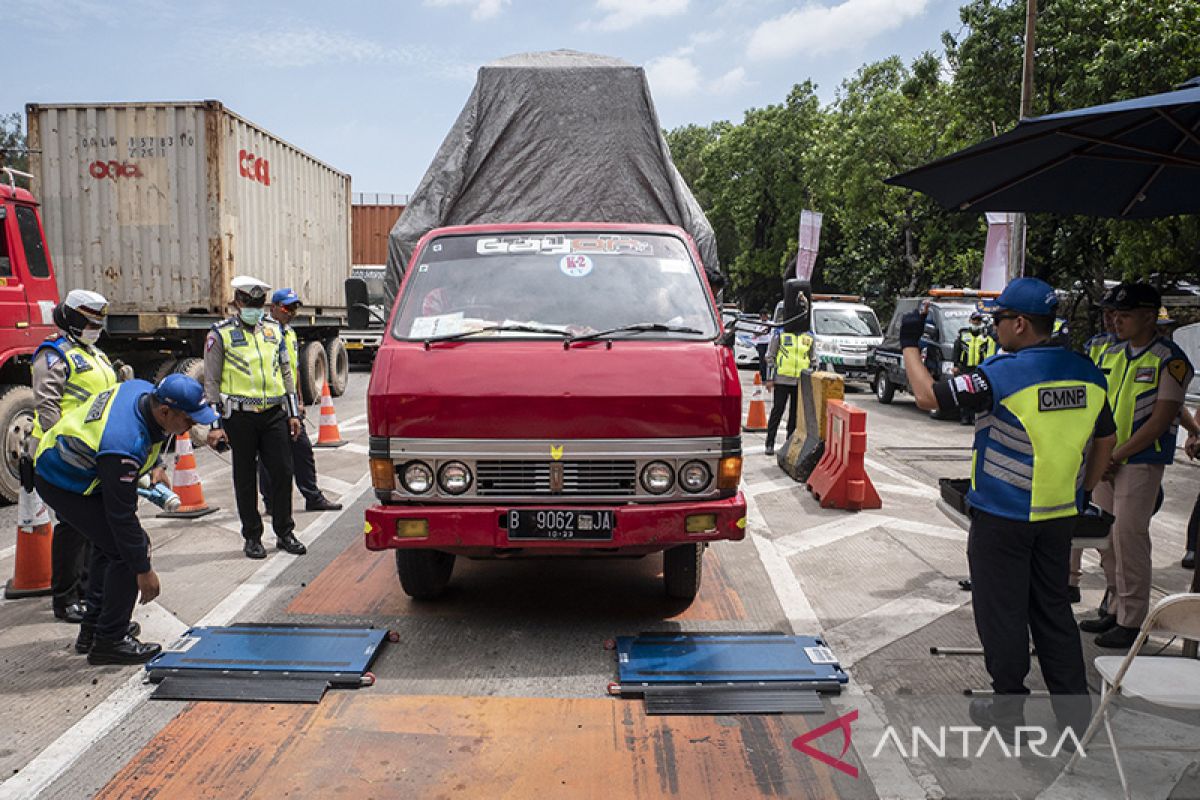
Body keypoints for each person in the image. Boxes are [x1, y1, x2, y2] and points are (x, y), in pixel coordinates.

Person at [900, 277, 1114, 738]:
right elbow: (1106, 440)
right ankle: (1074, 719)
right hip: (1059, 516)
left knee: (1002, 614)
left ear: (1020, 323)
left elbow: (927, 396)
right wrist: (1085, 490)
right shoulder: (1088, 372)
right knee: (1054, 613)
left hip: (1004, 517)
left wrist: (909, 345)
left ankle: (1008, 710)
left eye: (998, 320)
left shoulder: (1003, 374)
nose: (994, 328)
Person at [34, 375, 216, 664]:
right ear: (166, 412)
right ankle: (110, 640)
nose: (192, 427)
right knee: (127, 549)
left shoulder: (143, 391)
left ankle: (95, 629)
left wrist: (155, 463)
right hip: (62, 480)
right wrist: (144, 571)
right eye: (189, 420)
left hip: (75, 464)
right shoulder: (122, 445)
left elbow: (151, 434)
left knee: (110, 547)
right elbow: (121, 518)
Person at [1081, 283, 1194, 648]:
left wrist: (1114, 455)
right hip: (1107, 459)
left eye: (1125, 315)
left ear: (1150, 316)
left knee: (1129, 538)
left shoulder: (1169, 360)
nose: (1116, 321)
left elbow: (1160, 420)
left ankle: (1132, 620)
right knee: (1106, 539)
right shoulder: (1112, 353)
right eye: (1114, 314)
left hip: (1139, 461)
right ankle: (1113, 606)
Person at [29, 290, 120, 624]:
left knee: (91, 526)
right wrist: (66, 447)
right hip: (63, 454)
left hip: (93, 451)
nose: (95, 327)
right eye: (89, 322)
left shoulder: (95, 354)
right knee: (71, 527)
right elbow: (47, 406)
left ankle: (86, 592)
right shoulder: (53, 354)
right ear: (70, 318)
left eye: (98, 322)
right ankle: (65, 598)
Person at [203, 276, 306, 560]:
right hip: (240, 417)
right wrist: (214, 425)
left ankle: (285, 532)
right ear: (238, 303)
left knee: (284, 472)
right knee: (245, 477)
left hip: (274, 413)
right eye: (250, 303)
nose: (255, 309)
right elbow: (211, 382)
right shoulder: (219, 333)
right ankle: (252, 536)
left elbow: (285, 372)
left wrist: (293, 412)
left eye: (260, 304)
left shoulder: (275, 331)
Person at [258, 288, 342, 514]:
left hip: (290, 405)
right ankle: (271, 502)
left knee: (303, 451)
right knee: (268, 458)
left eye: (295, 308)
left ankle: (312, 496)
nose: (292, 312)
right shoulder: (263, 334)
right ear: (273, 308)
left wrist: (299, 402)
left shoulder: (290, 334)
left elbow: (292, 371)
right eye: (287, 308)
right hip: (270, 405)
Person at [763, 319, 813, 456]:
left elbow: (813, 360)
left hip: (800, 382)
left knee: (795, 415)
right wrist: (769, 378)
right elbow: (770, 357)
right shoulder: (780, 333)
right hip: (782, 380)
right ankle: (770, 442)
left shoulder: (809, 336)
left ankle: (789, 444)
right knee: (777, 411)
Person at [951, 311, 990, 425]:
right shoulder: (963, 334)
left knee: (976, 393)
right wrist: (955, 365)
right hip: (964, 367)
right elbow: (956, 350)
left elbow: (988, 351)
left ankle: (973, 417)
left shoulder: (985, 336)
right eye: (974, 320)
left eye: (978, 321)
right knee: (964, 392)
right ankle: (964, 417)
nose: (976, 323)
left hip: (979, 368)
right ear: (970, 321)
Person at [752, 311, 773, 381]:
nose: (764, 317)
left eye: (765, 315)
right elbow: (756, 333)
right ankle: (763, 376)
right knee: (762, 361)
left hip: (768, 343)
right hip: (761, 343)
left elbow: (767, 331)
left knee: (768, 360)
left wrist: (762, 332)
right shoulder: (758, 324)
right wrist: (762, 332)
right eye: (762, 315)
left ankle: (769, 376)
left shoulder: (771, 323)